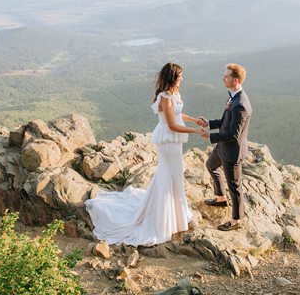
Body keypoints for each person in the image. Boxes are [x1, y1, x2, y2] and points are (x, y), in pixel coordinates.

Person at [85, 62, 206, 246]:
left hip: (175, 141)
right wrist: (196, 132)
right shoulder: (164, 98)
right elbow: (172, 124)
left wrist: (194, 120)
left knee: (174, 176)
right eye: (179, 76)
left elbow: (178, 114)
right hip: (168, 141)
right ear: (172, 77)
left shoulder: (174, 94)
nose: (182, 79)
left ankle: (176, 215)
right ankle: (163, 219)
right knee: (168, 176)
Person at [198, 63, 252, 231]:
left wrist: (210, 136)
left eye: (226, 76)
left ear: (235, 80)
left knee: (235, 187)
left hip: (232, 151)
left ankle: (237, 220)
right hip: (222, 147)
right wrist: (209, 123)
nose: (223, 78)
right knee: (210, 165)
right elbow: (225, 122)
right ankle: (220, 198)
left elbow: (233, 135)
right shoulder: (233, 97)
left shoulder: (241, 104)